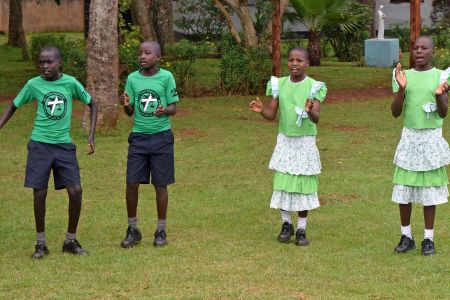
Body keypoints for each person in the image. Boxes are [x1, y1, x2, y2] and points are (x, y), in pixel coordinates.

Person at [0, 46, 97, 259]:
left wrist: (91, 135)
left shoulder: (70, 83)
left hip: (64, 146)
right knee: (40, 192)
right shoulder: (33, 84)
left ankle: (70, 240)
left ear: (59, 62)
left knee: (76, 191)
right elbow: (13, 105)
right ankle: (41, 244)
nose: (45, 66)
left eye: (49, 62)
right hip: (40, 145)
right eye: (41, 62)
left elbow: (92, 103)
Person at [249, 47, 327, 246]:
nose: (294, 63)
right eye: (291, 60)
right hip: (285, 140)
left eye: (299, 60)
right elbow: (271, 114)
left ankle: (301, 228)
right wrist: (261, 110)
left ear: (307, 63)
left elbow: (316, 118)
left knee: (302, 185)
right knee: (283, 183)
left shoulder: (314, 87)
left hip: (305, 141)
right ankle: (286, 224)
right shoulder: (279, 84)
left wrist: (310, 111)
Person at [391, 36, 450, 256]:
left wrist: (439, 95)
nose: (419, 51)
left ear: (433, 51)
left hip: (431, 138)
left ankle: (428, 239)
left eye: (424, 48)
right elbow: (396, 112)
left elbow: (443, 112)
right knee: (404, 190)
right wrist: (401, 89)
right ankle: (406, 235)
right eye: (415, 48)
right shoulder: (403, 76)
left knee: (429, 193)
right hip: (409, 138)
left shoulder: (441, 77)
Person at [119, 40, 179, 248]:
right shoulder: (133, 79)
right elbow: (130, 111)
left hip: (161, 137)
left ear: (158, 57)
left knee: (160, 185)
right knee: (132, 183)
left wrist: (165, 110)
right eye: (140, 53)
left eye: (147, 53)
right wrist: (126, 105)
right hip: (139, 138)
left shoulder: (166, 77)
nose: (142, 56)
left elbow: (173, 107)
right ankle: (133, 229)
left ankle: (160, 230)